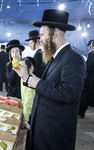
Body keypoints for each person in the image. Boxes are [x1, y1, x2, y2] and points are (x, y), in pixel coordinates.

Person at [13, 9, 86, 150]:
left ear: (53, 35)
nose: (40, 39)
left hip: (55, 133)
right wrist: (26, 77)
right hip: (44, 128)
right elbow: (50, 85)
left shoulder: (73, 58)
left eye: (42, 35)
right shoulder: (56, 57)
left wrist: (38, 83)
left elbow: (69, 93)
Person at [78, 39, 94, 118]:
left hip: (91, 80)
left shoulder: (92, 54)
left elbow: (88, 67)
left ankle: (80, 112)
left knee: (84, 97)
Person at [19, 57, 35, 130]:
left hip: (31, 115)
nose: (20, 70)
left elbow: (29, 102)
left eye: (22, 67)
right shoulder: (22, 79)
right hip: (26, 112)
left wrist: (25, 120)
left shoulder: (32, 82)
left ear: (30, 68)